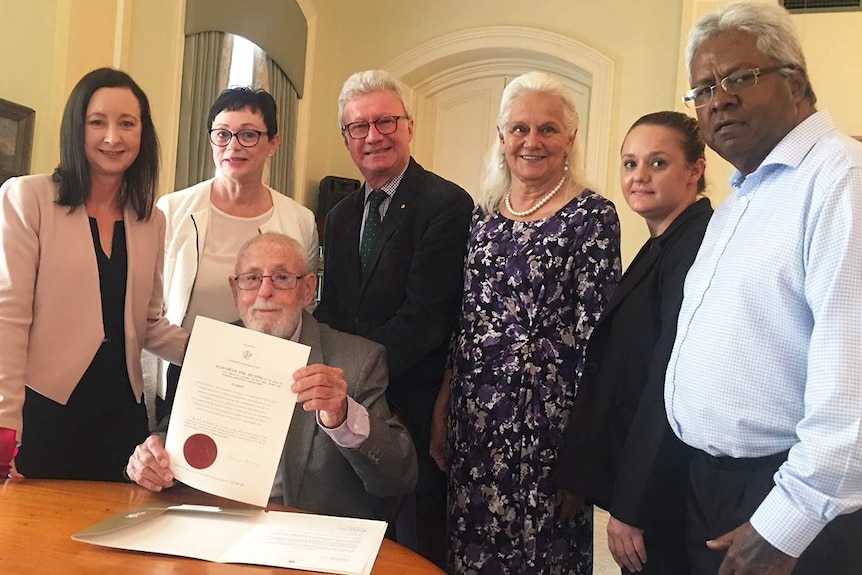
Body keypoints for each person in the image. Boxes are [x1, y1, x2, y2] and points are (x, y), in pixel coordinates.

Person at [666, 3, 862, 573]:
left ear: (796, 82)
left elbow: (853, 386)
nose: (718, 99)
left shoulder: (840, 182)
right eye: (702, 89)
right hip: (712, 486)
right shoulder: (742, 200)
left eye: (740, 79)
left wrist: (786, 523)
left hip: (793, 501)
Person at [431, 71, 621, 574]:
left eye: (548, 129)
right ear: (501, 138)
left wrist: (582, 456)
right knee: (471, 552)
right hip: (475, 422)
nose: (532, 141)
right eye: (519, 129)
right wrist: (444, 401)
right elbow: (467, 319)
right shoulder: (484, 216)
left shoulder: (593, 217)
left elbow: (597, 341)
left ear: (570, 138)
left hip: (550, 430)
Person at [127, 232, 418, 518]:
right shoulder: (211, 347)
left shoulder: (358, 361)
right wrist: (150, 457)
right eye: (252, 278)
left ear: (307, 290)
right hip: (209, 521)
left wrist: (343, 416)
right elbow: (172, 435)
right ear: (235, 290)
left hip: (301, 537)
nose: (265, 292)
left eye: (281, 278)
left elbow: (397, 479)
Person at [314, 69, 473, 564]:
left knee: (416, 545)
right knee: (355, 536)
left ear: (408, 126)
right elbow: (333, 310)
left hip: (415, 405)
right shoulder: (340, 217)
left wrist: (351, 376)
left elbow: (424, 318)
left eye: (385, 121)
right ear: (346, 138)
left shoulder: (447, 203)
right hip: (348, 407)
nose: (373, 136)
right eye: (358, 127)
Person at [0, 68, 188, 481]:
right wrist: (5, 426)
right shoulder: (27, 198)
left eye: (127, 124)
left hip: (122, 422)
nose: (112, 138)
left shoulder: (150, 220)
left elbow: (147, 325)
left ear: (143, 134)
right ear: (76, 128)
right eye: (97, 122)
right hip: (44, 413)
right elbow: (8, 318)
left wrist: (220, 356)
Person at [554, 111, 712, 574]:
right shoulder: (663, 241)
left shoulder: (695, 248)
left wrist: (631, 506)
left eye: (658, 163)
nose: (639, 176)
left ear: (695, 170)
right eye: (629, 163)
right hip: (649, 481)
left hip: (666, 489)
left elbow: (667, 386)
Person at [156, 87, 317, 421]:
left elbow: (304, 305)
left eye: (248, 135)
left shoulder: (299, 220)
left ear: (274, 143)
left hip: (265, 378)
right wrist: (205, 354)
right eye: (222, 134)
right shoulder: (172, 211)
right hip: (183, 369)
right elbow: (149, 305)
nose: (233, 146)